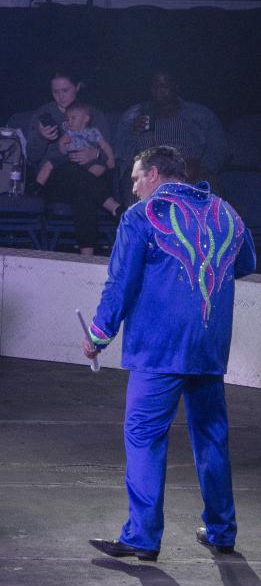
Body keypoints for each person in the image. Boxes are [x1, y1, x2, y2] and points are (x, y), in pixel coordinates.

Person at [84, 146, 256, 560]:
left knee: (144, 435)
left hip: (159, 348)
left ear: (155, 174)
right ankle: (221, 529)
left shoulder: (141, 217)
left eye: (136, 180)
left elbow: (120, 283)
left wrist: (98, 333)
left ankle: (143, 536)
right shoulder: (226, 213)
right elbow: (246, 262)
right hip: (208, 347)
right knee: (211, 436)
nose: (134, 190)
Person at [27, 70, 113, 256]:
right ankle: (114, 207)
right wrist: (42, 138)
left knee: (83, 193)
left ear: (77, 88)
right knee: (68, 169)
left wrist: (95, 154)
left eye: (65, 90)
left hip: (89, 176)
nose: (60, 96)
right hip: (55, 181)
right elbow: (31, 157)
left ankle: (86, 257)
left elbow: (111, 156)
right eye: (55, 92)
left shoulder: (93, 114)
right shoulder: (43, 114)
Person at [114, 70, 229, 190]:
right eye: (155, 86)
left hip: (191, 172)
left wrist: (202, 167)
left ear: (175, 87)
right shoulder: (134, 115)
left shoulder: (200, 115)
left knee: (207, 190)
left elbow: (219, 150)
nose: (159, 91)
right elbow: (118, 153)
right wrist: (133, 131)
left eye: (164, 86)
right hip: (149, 174)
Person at [34, 104, 120, 224]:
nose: (69, 121)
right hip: (68, 164)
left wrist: (108, 158)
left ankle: (87, 243)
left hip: (87, 168)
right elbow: (62, 152)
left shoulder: (93, 131)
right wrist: (61, 144)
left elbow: (105, 146)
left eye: (73, 118)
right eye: (68, 119)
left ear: (86, 119)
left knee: (96, 172)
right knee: (52, 165)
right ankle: (37, 188)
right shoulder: (67, 131)